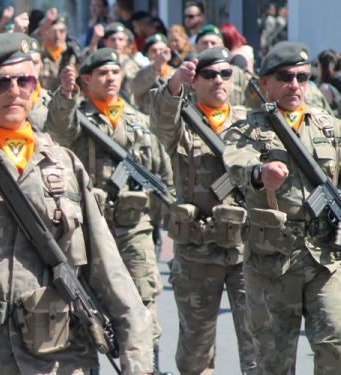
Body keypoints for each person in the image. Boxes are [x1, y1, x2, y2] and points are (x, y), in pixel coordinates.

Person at [0, 31, 154, 375]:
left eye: (25, 81)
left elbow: (107, 266)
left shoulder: (64, 164)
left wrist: (136, 357)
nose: (15, 91)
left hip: (57, 354)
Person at [47, 48, 173, 374]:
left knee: (144, 301)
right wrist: (65, 94)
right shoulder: (78, 117)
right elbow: (58, 131)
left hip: (135, 230)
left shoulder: (139, 121)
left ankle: (148, 367)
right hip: (89, 231)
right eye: (102, 73)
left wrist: (165, 224)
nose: (111, 79)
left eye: (115, 72)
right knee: (85, 307)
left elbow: (162, 175)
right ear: (87, 79)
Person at [222, 41, 341, 375]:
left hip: (325, 257)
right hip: (273, 262)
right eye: (285, 76)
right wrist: (260, 173)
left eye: (302, 77)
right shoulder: (248, 129)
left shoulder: (328, 127)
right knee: (274, 362)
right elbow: (235, 163)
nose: (295, 85)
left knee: (336, 344)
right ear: (265, 83)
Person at [150, 46, 258, 375]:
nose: (219, 81)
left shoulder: (249, 123)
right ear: (195, 82)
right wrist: (173, 86)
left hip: (245, 250)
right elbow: (161, 125)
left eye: (225, 73)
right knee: (196, 350)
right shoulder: (183, 120)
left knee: (255, 343)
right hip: (197, 252)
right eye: (209, 75)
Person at [131, 33, 173, 114]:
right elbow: (135, 89)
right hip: (147, 119)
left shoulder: (176, 73)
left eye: (161, 50)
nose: (158, 53)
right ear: (147, 54)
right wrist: (156, 66)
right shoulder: (140, 72)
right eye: (154, 50)